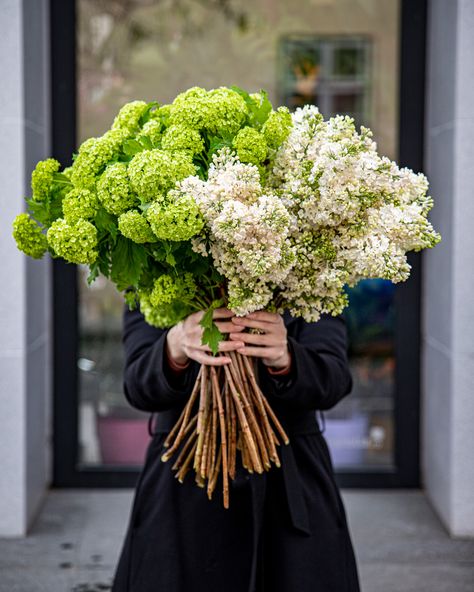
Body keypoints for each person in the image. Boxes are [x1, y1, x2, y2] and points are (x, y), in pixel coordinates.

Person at [112, 306, 360, 592]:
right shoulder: (153, 274)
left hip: (290, 481)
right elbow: (137, 386)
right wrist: (175, 346)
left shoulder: (314, 278)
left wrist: (286, 356)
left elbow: (334, 381)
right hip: (184, 482)